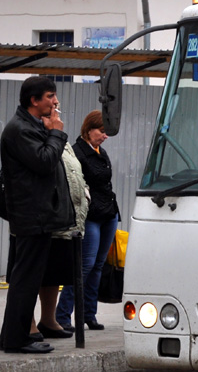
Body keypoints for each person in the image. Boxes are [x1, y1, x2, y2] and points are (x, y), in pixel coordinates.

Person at [0, 76, 74, 354]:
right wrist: (55, 132)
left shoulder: (30, 126)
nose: (55, 102)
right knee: (25, 280)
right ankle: (16, 340)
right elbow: (44, 162)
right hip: (31, 214)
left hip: (38, 213)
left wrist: (48, 131)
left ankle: (12, 335)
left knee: (27, 278)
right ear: (34, 100)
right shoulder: (19, 130)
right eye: (50, 96)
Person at [56, 111, 120, 332]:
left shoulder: (99, 151)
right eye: (102, 131)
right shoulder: (77, 153)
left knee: (98, 267)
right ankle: (63, 316)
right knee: (84, 266)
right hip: (91, 216)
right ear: (88, 129)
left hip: (109, 214)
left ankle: (88, 315)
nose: (105, 136)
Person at [35, 142, 90, 340]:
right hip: (44, 219)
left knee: (54, 274)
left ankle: (48, 320)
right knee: (35, 273)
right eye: (53, 109)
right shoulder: (32, 135)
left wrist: (85, 193)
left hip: (65, 219)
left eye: (57, 108)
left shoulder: (63, 141)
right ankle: (27, 323)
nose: (57, 112)